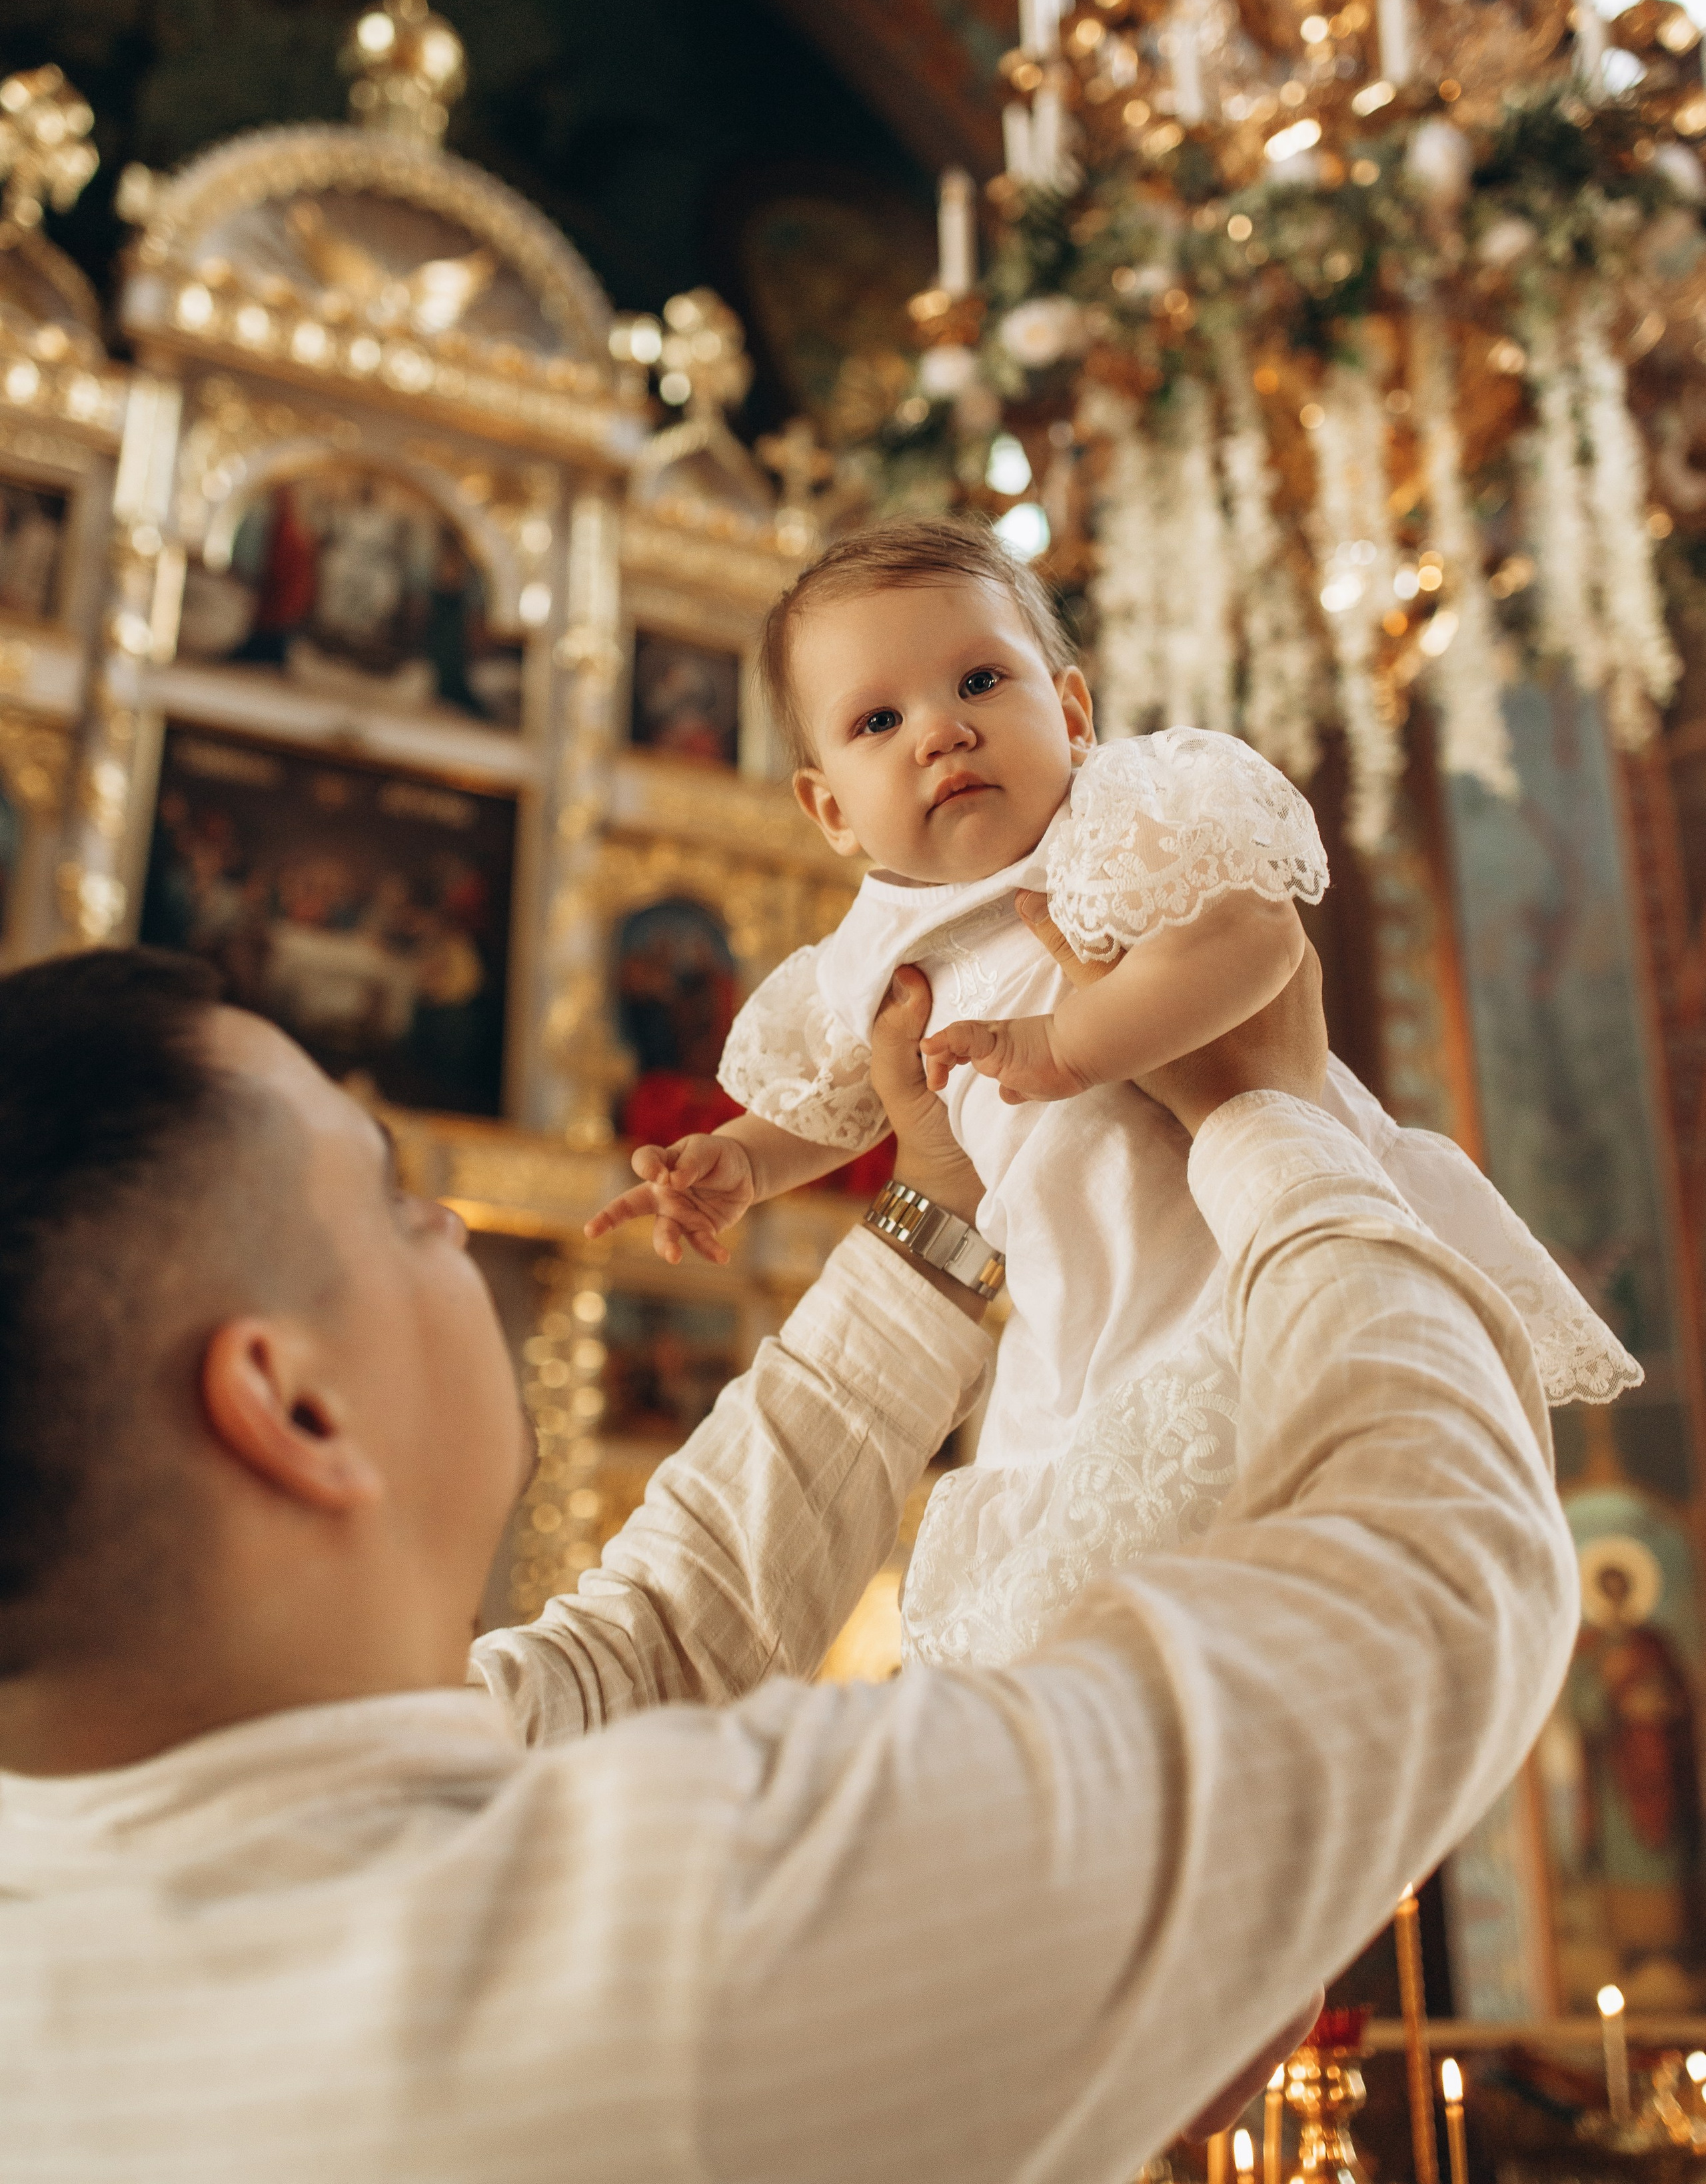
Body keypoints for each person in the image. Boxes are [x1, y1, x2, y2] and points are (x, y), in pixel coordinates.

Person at [0, 938, 1576, 2181]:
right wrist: (1275, 1130)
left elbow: (659, 1646)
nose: (460, 1238)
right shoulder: (680, 1959)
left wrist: (935, 1211)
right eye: (397, 1201)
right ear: (289, 1402)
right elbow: (1424, 1586)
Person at [587, 519, 1638, 1663]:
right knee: (1107, 1574)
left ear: (1073, 714)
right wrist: (738, 1164)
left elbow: (1257, 945)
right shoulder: (865, 955)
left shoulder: (1121, 825)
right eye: (878, 722)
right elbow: (827, 1109)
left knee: (1319, 1486)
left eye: (981, 680)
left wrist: (1075, 1043)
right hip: (1080, 1315)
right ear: (831, 808)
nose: (942, 730)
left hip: (1243, 1245)